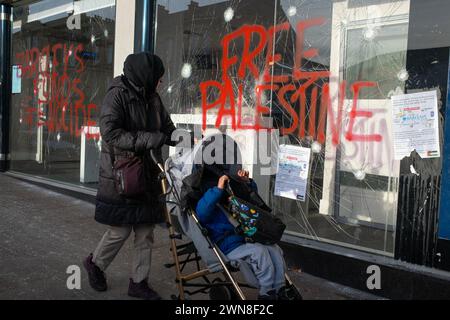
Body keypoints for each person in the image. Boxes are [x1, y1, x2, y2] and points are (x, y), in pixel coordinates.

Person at [83, 52, 176, 300]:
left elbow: (166, 126)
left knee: (145, 232)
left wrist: (181, 137)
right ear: (146, 75)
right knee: (120, 230)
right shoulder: (117, 94)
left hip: (148, 175)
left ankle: (139, 282)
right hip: (122, 174)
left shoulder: (153, 97)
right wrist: (151, 139)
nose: (161, 83)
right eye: (159, 78)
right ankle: (96, 264)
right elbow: (111, 133)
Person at [195, 168, 289, 300]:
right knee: (259, 251)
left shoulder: (232, 198)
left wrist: (246, 182)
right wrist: (217, 189)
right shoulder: (207, 204)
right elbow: (202, 212)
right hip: (228, 245)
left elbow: (251, 198)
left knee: (274, 249)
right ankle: (267, 291)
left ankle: (280, 288)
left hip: (246, 238)